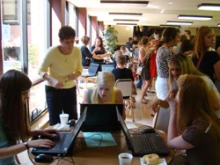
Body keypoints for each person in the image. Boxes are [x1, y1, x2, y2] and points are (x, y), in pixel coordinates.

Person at [0, 70, 59, 164]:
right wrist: (27, 145)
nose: (28, 97)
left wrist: (39, 132)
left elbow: (20, 134)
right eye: (24, 93)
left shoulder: (10, 108)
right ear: (11, 95)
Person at [167, 74, 220, 165]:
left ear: (187, 102)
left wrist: (173, 110)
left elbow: (171, 143)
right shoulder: (208, 119)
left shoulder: (198, 131)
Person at [38, 25, 83, 125]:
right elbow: (40, 70)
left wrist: (76, 74)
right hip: (54, 89)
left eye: (72, 41)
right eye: (67, 42)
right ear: (61, 41)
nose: (70, 45)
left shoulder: (77, 51)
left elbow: (80, 68)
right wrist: (52, 80)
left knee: (72, 118)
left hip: (70, 88)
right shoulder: (52, 52)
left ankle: (72, 139)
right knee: (55, 120)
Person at [152, 54, 220, 117]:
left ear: (186, 68)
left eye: (178, 69)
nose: (175, 73)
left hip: (211, 120)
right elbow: (168, 103)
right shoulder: (177, 81)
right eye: (172, 69)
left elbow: (216, 106)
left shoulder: (202, 81)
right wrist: (158, 101)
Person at [155, 27, 180, 101]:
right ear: (172, 37)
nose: (179, 39)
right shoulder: (168, 51)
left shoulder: (161, 48)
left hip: (161, 81)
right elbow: (172, 68)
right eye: (177, 37)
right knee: (167, 108)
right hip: (166, 83)